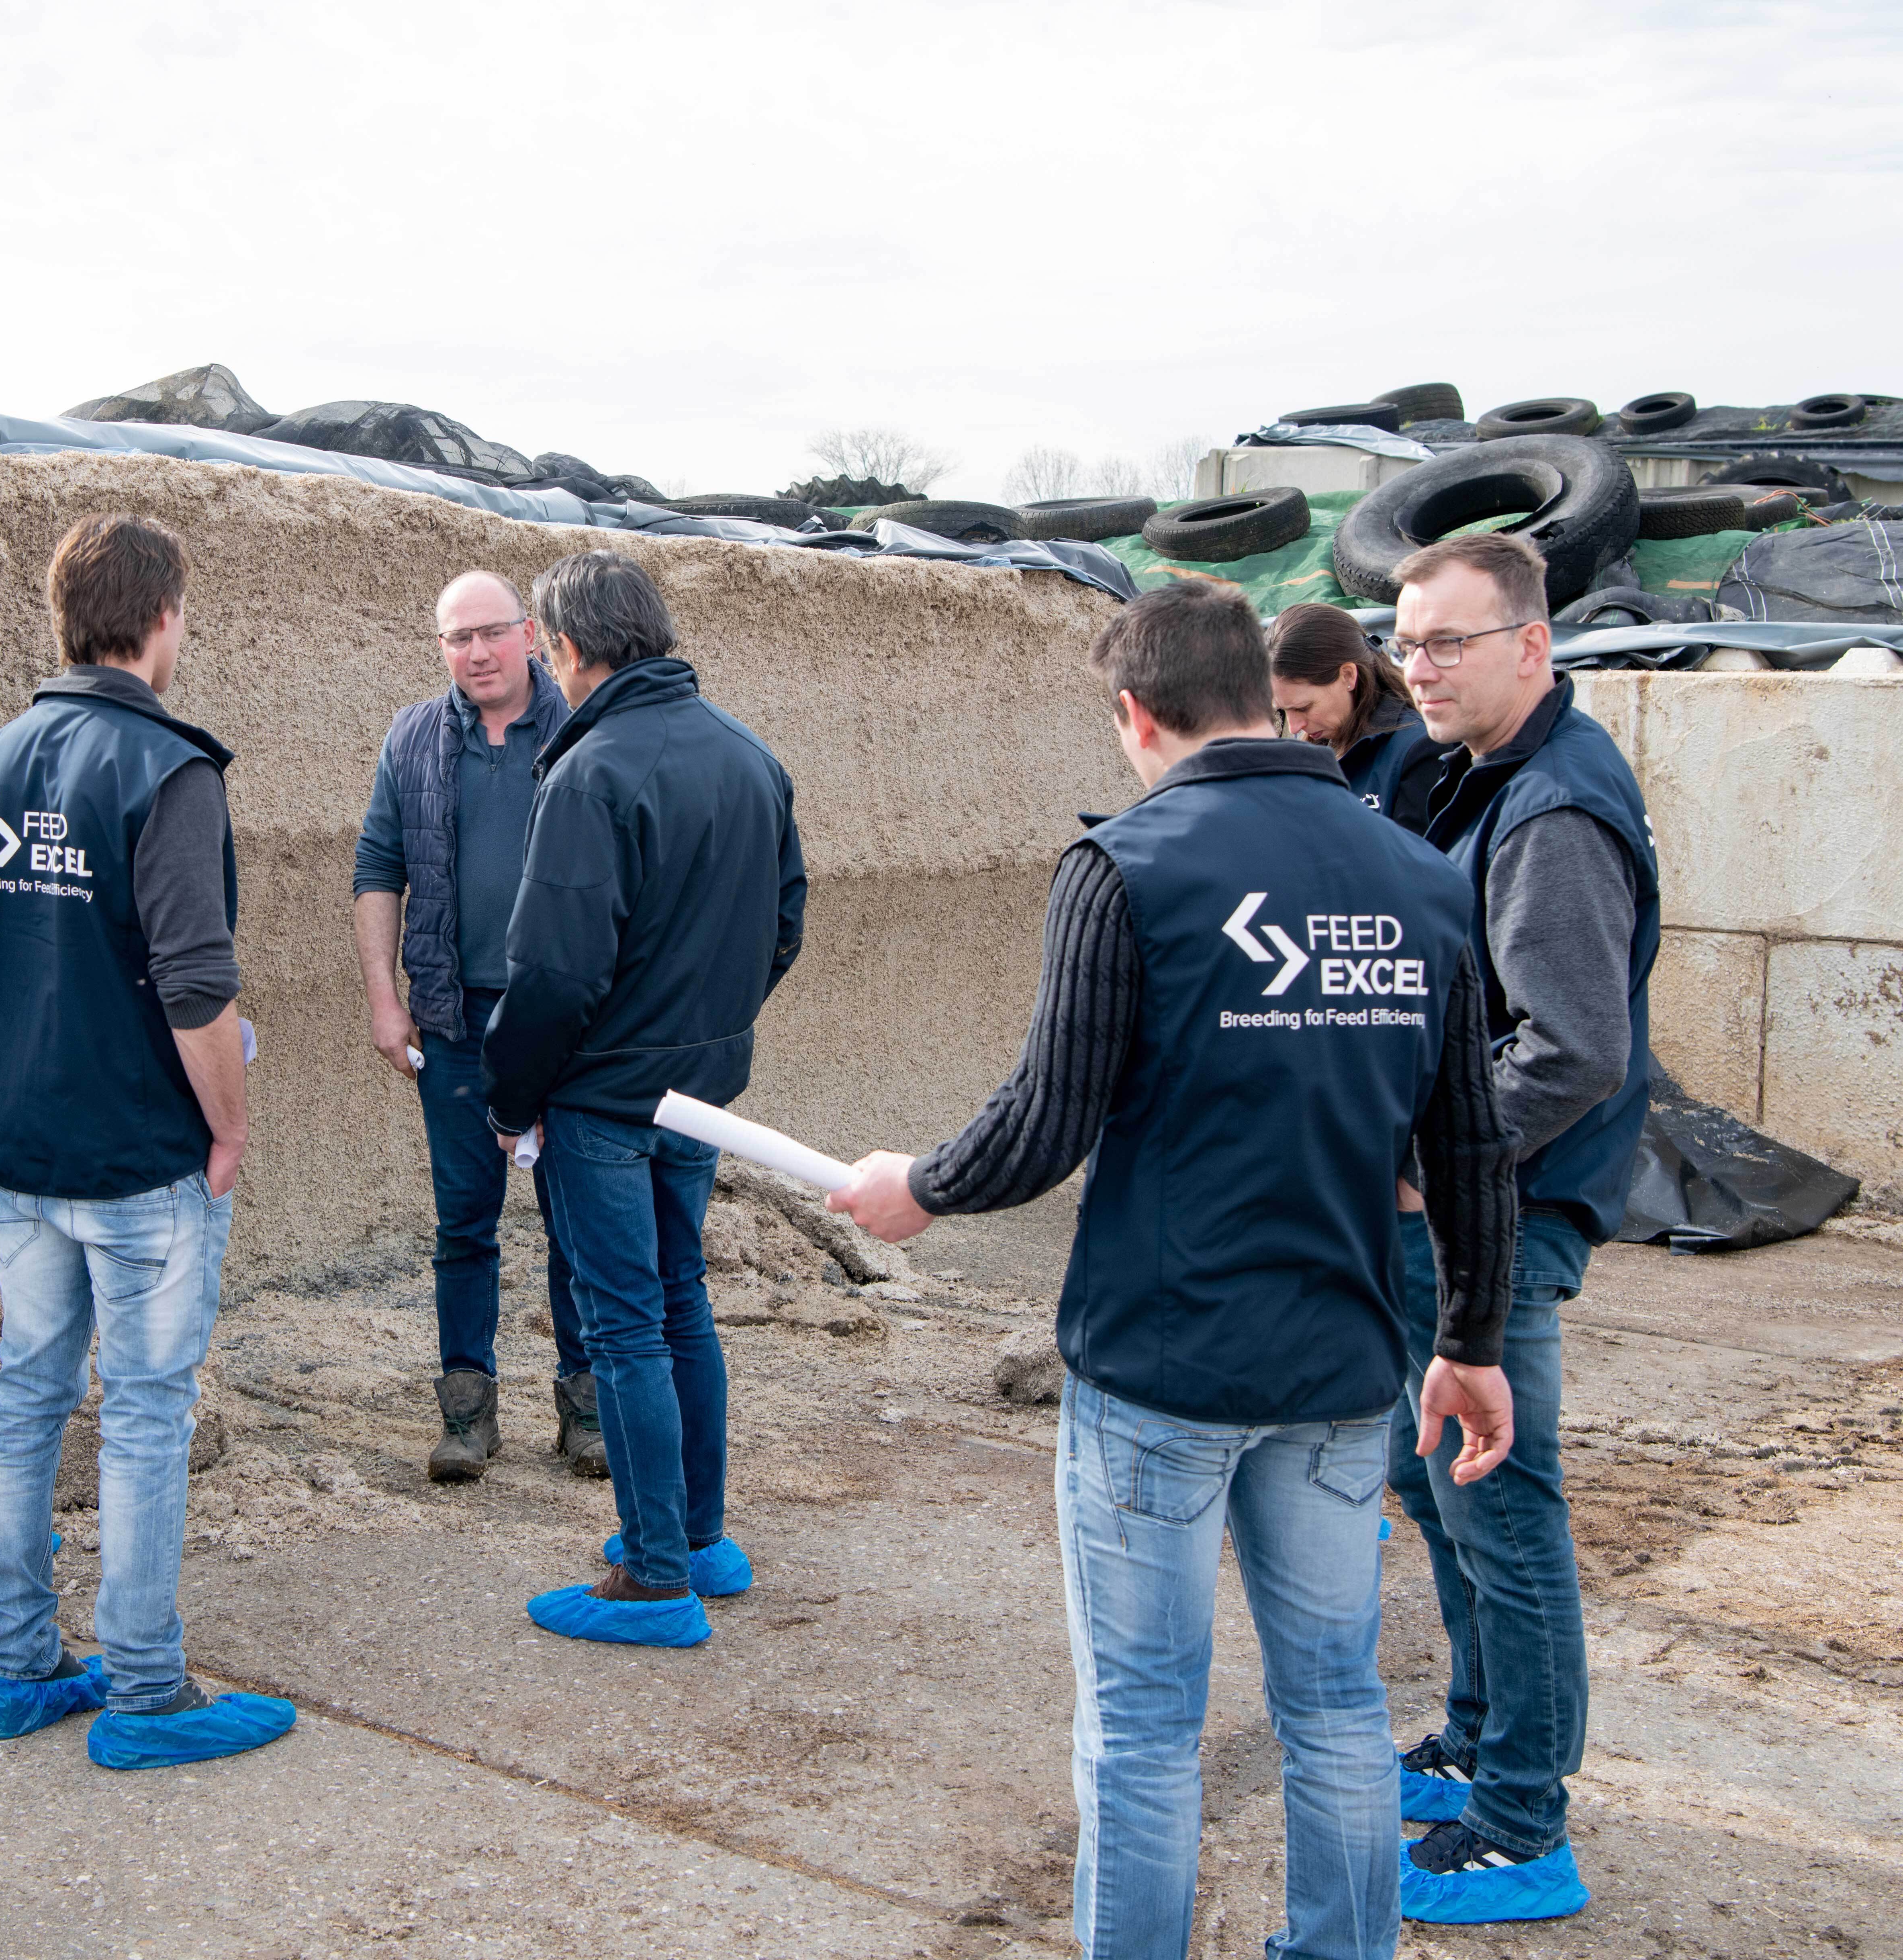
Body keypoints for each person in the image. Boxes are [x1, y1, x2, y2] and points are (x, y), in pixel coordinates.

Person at [830, 578, 1521, 1959]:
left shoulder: (1129, 866)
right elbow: (1468, 1143)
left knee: (1142, 1722)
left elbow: (1043, 1122)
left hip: (1159, 1369)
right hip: (1337, 1365)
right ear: (1262, 697)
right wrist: (1470, 1339)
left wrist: (914, 1188)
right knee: (1331, 1703)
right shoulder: (1415, 877)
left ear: (1134, 714)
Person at [0, 513, 297, 1767]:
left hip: (26, 1145)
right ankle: (144, 1691)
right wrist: (229, 1126)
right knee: (145, 1413)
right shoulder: (166, 768)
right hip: (139, 1152)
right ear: (162, 621)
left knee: (26, 1397)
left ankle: (17, 1667)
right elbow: (195, 983)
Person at [1378, 531, 1658, 1925]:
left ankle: (1517, 1826)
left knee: (1500, 1504)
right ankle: (1472, 1739)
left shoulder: (1547, 810)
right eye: (1403, 639)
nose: (1413, 666)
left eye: (1445, 642)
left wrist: (1435, 1163)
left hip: (1507, 1214)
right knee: (1430, 1477)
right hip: (1483, 1202)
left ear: (1529, 646)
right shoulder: (1492, 776)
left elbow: (1570, 1049)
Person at [483, 549, 806, 1649]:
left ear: (570, 649)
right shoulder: (750, 758)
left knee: (624, 1325)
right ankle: (698, 1537)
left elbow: (556, 974)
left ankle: (657, 1575)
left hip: (607, 1103)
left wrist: (509, 1096)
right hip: (697, 1098)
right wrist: (709, 1027)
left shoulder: (592, 773)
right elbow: (785, 925)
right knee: (681, 1303)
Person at [352, 569, 592, 1483]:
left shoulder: (582, 731)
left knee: (577, 1219)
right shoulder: (413, 738)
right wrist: (385, 995)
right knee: (465, 1223)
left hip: (569, 1022)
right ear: (441, 647)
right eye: (458, 638)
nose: (477, 653)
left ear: (530, 634)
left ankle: (587, 1407)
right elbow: (379, 867)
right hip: (454, 1021)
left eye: (492, 633)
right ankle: (468, 1413)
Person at [1269, 602, 1438, 822]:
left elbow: (1416, 854)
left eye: (1304, 708)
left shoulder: (1419, 749)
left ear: (1348, 676)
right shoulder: (1314, 748)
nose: (1294, 727)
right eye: (1283, 711)